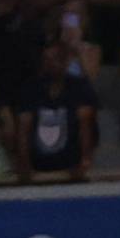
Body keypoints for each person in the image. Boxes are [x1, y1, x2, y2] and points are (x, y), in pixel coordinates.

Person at [15, 43, 97, 182]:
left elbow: (86, 127)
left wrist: (84, 161)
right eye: (47, 60)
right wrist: (25, 165)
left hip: (71, 167)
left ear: (65, 61)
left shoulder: (79, 87)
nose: (51, 64)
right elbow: (23, 130)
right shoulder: (31, 89)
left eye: (55, 59)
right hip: (37, 167)